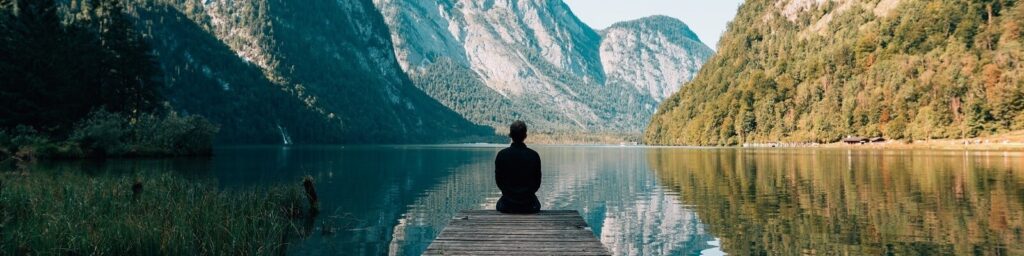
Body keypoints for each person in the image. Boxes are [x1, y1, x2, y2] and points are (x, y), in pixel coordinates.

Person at [494, 120, 542, 214]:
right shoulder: (534, 155)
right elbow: (537, 182)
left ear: (510, 135)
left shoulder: (501, 155)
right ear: (525, 136)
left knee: (499, 204)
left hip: (507, 205)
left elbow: (499, 181)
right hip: (529, 205)